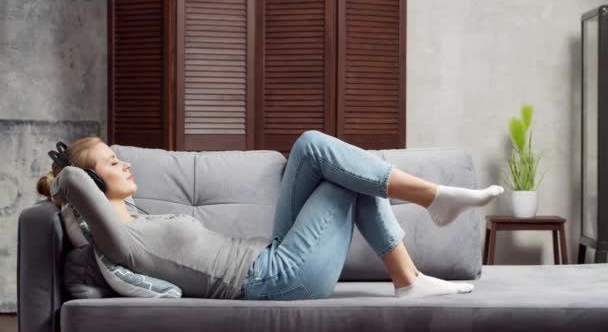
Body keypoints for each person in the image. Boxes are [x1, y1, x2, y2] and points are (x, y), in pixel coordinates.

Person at [36, 130, 503, 301]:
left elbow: (82, 188)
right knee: (343, 175)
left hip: (275, 256)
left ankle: (414, 258)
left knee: (312, 146)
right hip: (277, 279)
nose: (127, 164)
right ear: (94, 184)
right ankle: (430, 211)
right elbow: (74, 186)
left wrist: (83, 175)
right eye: (113, 164)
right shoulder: (121, 239)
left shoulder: (136, 217)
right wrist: (65, 175)